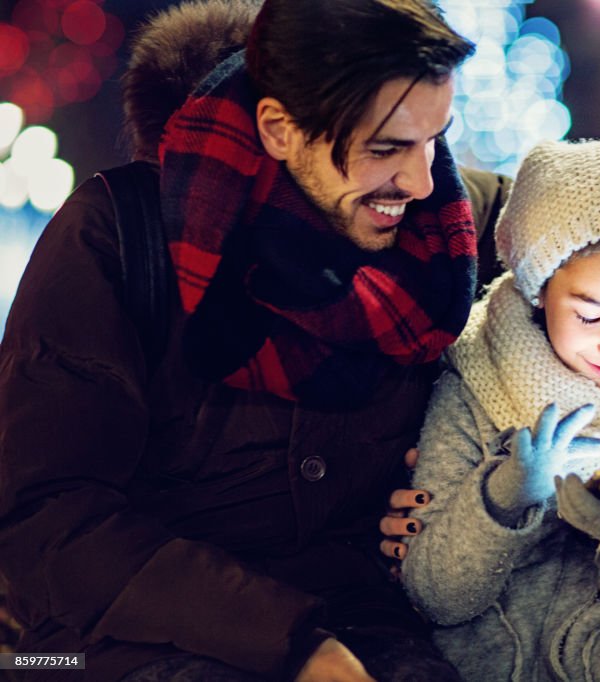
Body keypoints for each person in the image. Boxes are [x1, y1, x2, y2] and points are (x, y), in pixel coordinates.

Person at [0, 0, 503, 680]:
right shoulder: (119, 236)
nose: (419, 181)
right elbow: (44, 514)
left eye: (436, 138)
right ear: (278, 129)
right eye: (385, 148)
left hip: (365, 623)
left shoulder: (449, 232)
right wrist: (291, 644)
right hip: (125, 634)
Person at [400, 138, 600, 681]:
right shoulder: (472, 385)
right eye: (590, 317)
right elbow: (436, 596)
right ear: (539, 289)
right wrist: (505, 496)